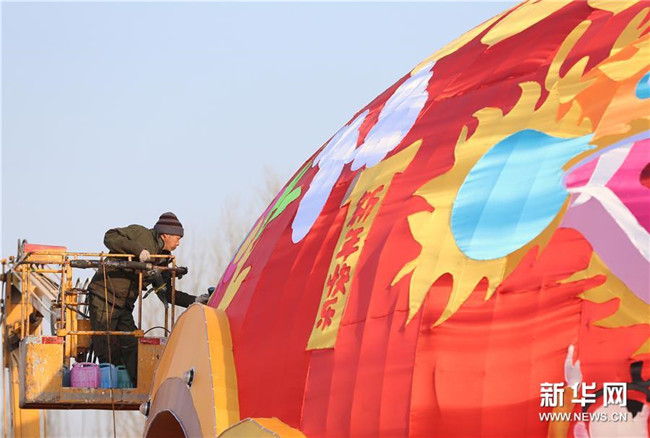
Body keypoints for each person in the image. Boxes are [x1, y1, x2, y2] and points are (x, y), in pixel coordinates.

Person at [87, 212, 208, 386]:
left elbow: (167, 293)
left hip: (124, 306)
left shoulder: (163, 259)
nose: (179, 243)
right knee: (106, 345)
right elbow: (110, 236)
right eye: (177, 238)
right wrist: (138, 251)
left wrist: (195, 300)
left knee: (132, 346)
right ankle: (109, 386)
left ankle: (139, 387)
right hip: (103, 295)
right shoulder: (141, 234)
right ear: (165, 234)